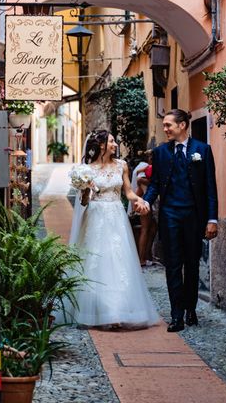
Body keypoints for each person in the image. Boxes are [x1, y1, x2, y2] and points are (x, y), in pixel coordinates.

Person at [67, 130, 159, 329]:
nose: (115, 144)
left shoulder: (122, 166)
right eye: (111, 141)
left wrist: (141, 200)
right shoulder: (87, 169)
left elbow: (128, 192)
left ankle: (118, 310)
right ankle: (100, 310)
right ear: (101, 145)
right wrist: (85, 187)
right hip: (96, 218)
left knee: (119, 262)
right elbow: (84, 201)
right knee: (97, 262)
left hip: (116, 217)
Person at [141, 109, 218, 332]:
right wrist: (146, 202)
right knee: (173, 266)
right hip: (169, 216)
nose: (165, 129)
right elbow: (155, 183)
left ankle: (190, 309)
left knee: (192, 265)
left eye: (168, 125)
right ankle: (176, 316)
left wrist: (212, 219)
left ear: (182, 125)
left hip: (194, 216)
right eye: (164, 125)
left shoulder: (202, 150)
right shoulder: (161, 152)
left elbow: (210, 187)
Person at [134, 150, 157, 266]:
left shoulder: (143, 168)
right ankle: (141, 259)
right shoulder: (147, 168)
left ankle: (147, 255)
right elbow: (141, 183)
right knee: (145, 229)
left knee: (152, 227)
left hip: (146, 202)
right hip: (144, 202)